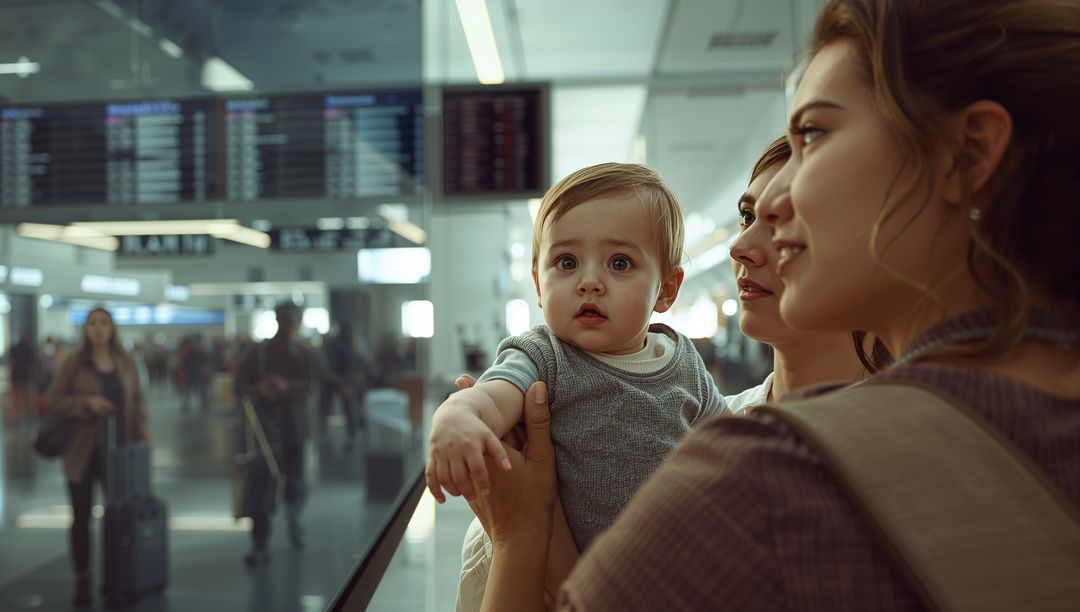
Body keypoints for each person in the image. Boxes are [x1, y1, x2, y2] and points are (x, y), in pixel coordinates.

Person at [469, 0, 1080, 609]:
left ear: (968, 154)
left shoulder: (768, 481)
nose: (779, 200)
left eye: (813, 134)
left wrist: (524, 533)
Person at [454, 138, 872, 610]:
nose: (739, 246)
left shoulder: (890, 467)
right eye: (748, 217)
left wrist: (530, 536)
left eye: (786, 221)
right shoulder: (717, 431)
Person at [432, 162, 728, 608]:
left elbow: (731, 443)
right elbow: (491, 397)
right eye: (566, 262)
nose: (589, 282)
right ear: (538, 281)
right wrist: (457, 415)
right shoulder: (543, 356)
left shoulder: (684, 362)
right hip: (558, 587)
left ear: (666, 289)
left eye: (619, 263)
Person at [47, 308, 150, 607]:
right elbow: (54, 400)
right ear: (86, 330)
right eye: (92, 323)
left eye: (104, 323)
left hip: (118, 451)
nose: (98, 329)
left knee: (117, 517)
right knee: (81, 516)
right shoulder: (73, 364)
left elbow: (138, 402)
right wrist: (86, 403)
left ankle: (116, 576)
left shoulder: (125, 363)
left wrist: (143, 432)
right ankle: (82, 577)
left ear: (112, 328)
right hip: (81, 450)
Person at [233, 301, 316, 566]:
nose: (287, 326)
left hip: (294, 430)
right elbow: (238, 385)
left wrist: (286, 386)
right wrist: (260, 388)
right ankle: (260, 542)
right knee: (259, 489)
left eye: (292, 320)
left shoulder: (303, 353)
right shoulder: (258, 352)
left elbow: (312, 384)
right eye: (284, 320)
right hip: (263, 433)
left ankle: (293, 519)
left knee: (295, 484)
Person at [319, 322, 366, 452]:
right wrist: (342, 384)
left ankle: (350, 436)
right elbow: (328, 368)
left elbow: (354, 364)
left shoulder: (349, 345)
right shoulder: (335, 346)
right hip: (332, 381)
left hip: (343, 381)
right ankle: (325, 436)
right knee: (326, 409)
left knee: (349, 409)